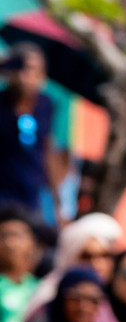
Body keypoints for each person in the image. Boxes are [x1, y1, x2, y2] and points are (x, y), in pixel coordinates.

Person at [0, 44, 63, 217]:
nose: (25, 76)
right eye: (21, 68)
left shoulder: (46, 105)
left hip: (31, 196)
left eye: (33, 69)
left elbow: (48, 151)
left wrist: (58, 203)